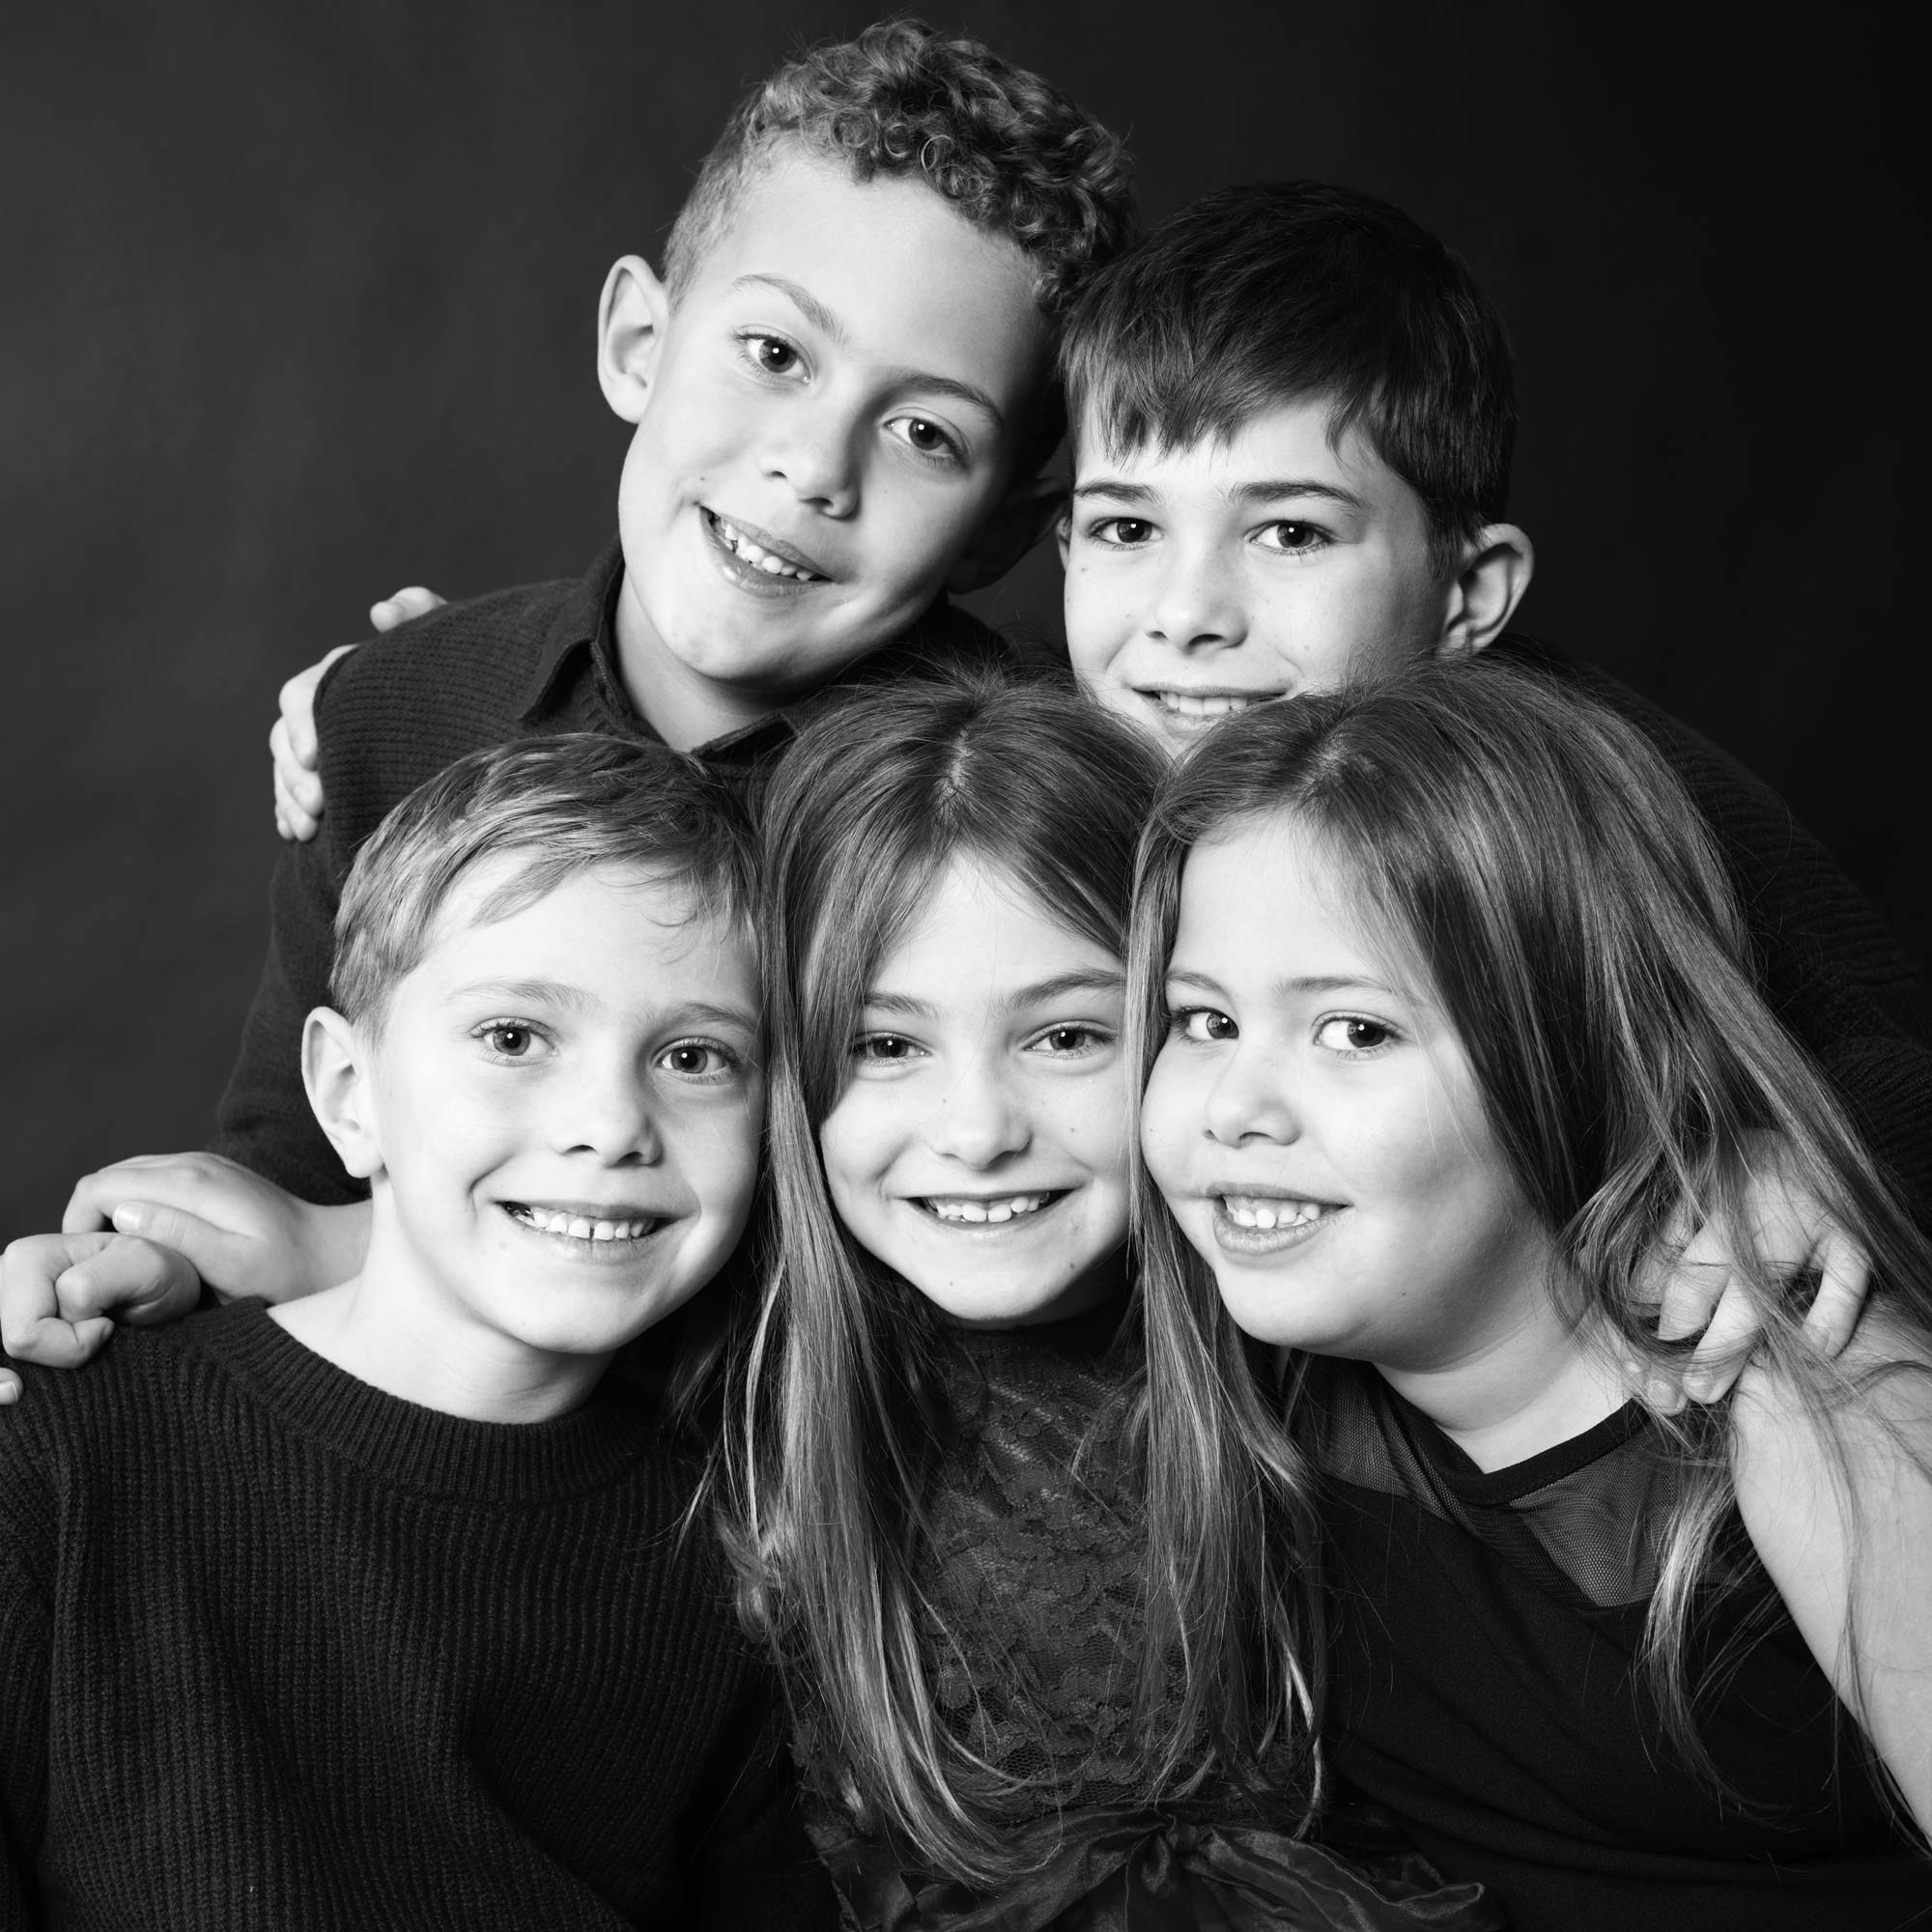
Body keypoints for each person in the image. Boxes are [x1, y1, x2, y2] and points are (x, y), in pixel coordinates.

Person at [1131, 654, 1932, 1930]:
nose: (1236, 1110)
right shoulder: (1245, 1383)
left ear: (1569, 1051)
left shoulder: (1809, 1382)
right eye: (1204, 1021)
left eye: (1356, 1032)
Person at [0, 733, 837, 1928]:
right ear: (348, 1094)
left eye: (695, 1056)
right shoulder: (62, 1459)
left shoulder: (734, 1567)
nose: (610, 1124)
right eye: (513, 1036)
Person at [727, 666, 1498, 1930]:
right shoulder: (760, 1387)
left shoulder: (1327, 1333)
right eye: (885, 1045)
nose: (976, 1133)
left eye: (1068, 1036)